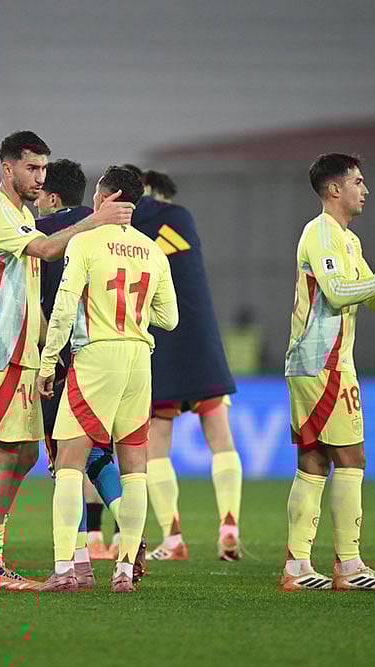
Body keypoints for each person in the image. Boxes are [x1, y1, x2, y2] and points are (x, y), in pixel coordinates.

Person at [0, 131, 134, 590]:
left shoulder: (20, 212)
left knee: (25, 452)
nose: (40, 177)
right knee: (2, 453)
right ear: (8, 168)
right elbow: (42, 249)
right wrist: (94, 221)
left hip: (24, 352)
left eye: (43, 168)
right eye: (31, 168)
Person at [282, 153, 375, 591]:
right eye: (358, 181)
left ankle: (297, 568)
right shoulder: (321, 232)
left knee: (314, 460)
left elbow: (374, 297)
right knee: (352, 457)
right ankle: (349, 566)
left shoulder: (347, 239)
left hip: (319, 361)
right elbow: (340, 292)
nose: (366, 189)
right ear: (334, 189)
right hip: (324, 363)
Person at [37, 166, 177, 592]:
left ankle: (66, 570)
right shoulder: (152, 250)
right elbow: (169, 319)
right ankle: (122, 572)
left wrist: (47, 363)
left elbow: (62, 309)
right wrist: (135, 317)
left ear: (107, 198)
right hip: (139, 358)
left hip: (98, 356)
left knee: (69, 463)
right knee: (134, 468)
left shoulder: (85, 242)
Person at [129, 165, 242, 562]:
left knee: (156, 448)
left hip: (161, 340)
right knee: (221, 439)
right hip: (203, 337)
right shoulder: (184, 219)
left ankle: (173, 538)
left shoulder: (127, 226)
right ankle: (229, 525)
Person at [35, 158, 131, 579]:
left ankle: (77, 561)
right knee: (97, 453)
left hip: (63, 354)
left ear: (52, 197)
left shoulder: (43, 236)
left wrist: (46, 356)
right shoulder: (111, 230)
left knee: (65, 460)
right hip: (112, 355)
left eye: (40, 193)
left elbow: (41, 302)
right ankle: (132, 529)